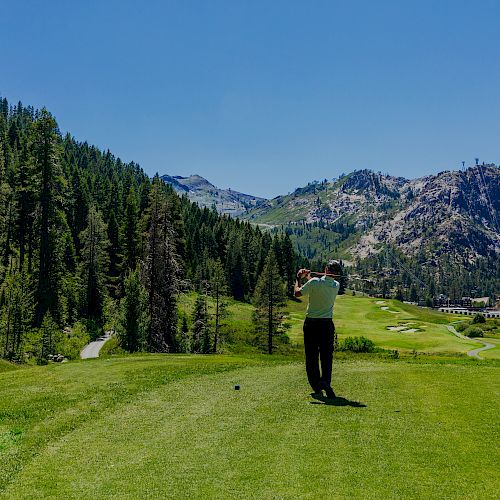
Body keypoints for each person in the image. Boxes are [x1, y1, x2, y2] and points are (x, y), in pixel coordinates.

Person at [294, 260, 341, 399]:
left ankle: (316, 385)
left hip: (312, 325)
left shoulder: (314, 282)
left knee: (312, 356)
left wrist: (298, 278)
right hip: (327, 325)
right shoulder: (335, 285)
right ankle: (325, 381)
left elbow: (297, 293)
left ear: (326, 269)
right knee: (326, 356)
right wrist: (309, 277)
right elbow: (316, 284)